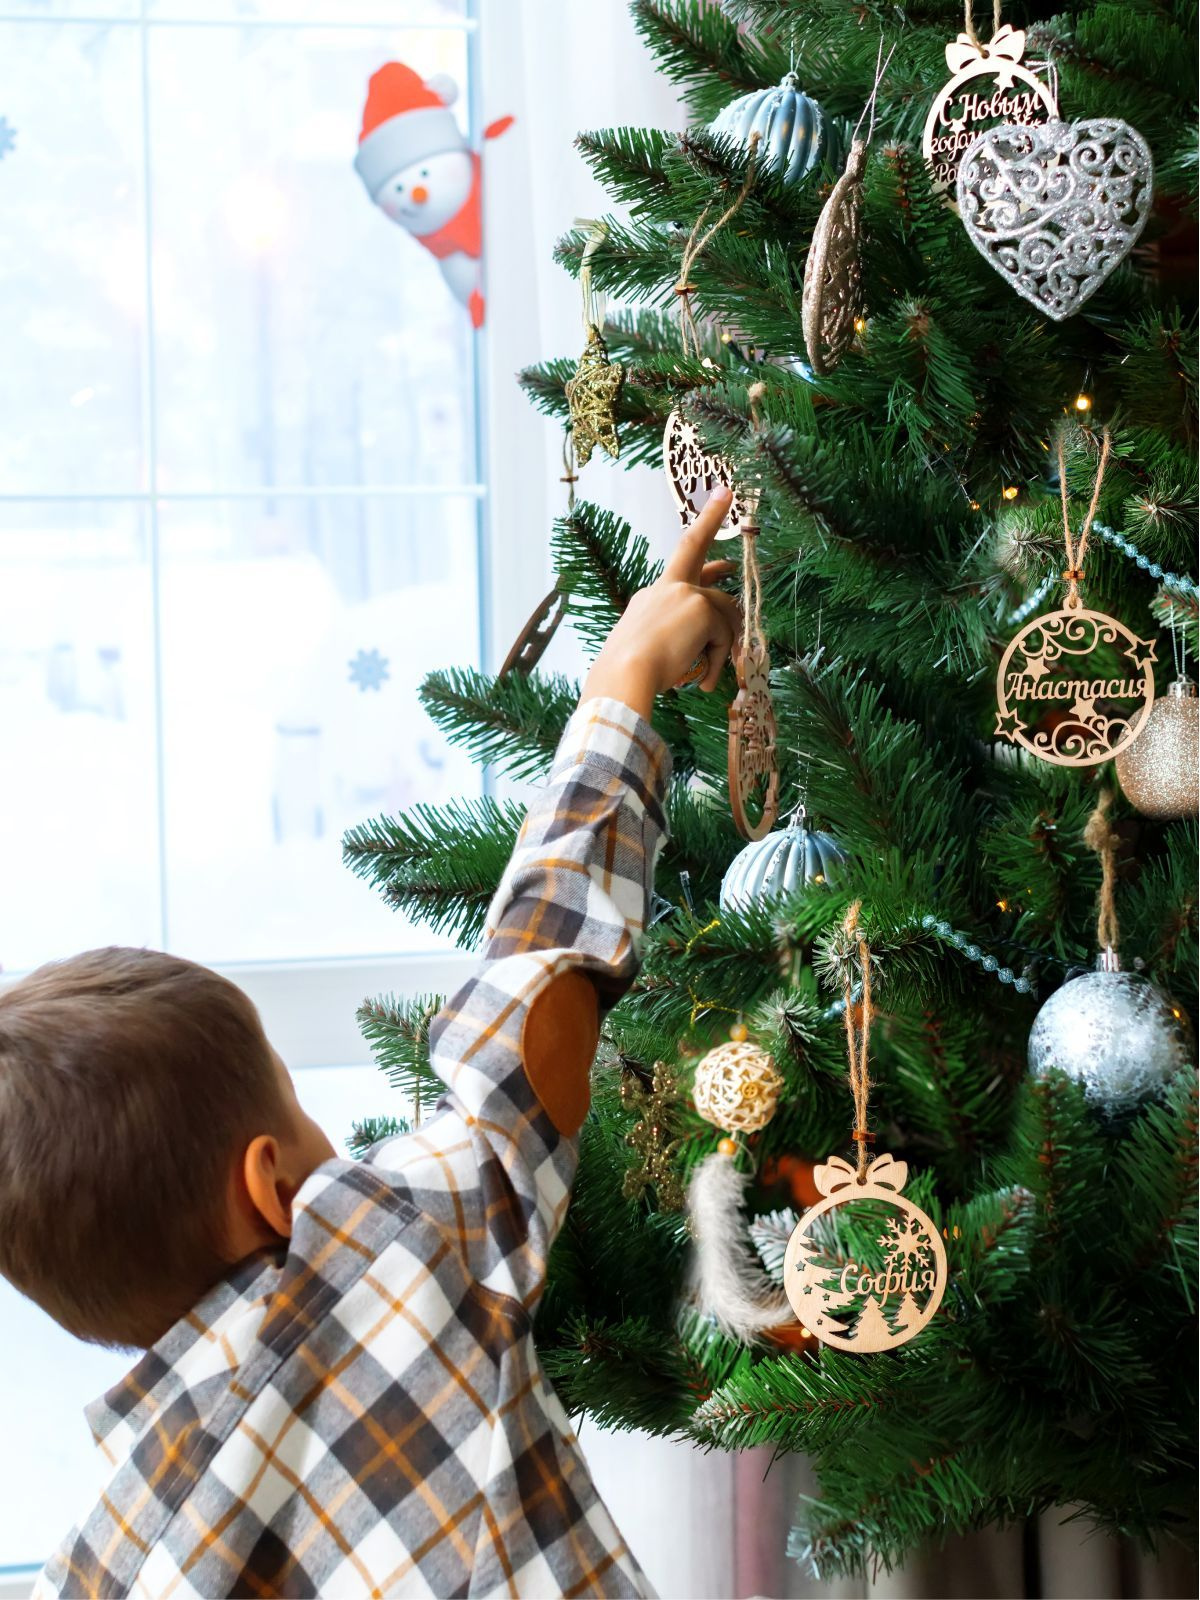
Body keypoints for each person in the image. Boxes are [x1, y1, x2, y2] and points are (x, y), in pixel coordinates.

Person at [2, 490, 741, 1599]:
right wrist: (623, 681)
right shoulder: (385, 1257)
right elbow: (531, 990)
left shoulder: (105, 1563)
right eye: (304, 1112)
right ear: (270, 1184)